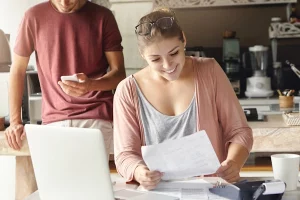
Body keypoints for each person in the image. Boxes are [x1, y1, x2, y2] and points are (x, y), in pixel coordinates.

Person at [113, 8, 253, 190]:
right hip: (157, 193)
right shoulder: (127, 90)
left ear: (184, 40)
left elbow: (240, 132)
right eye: (155, 59)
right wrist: (139, 172)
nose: (167, 65)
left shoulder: (209, 71)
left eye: (174, 53)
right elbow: (125, 155)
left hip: (211, 191)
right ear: (143, 55)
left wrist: (233, 163)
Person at [4, 0, 125, 199]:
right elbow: (17, 70)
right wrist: (15, 122)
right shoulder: (32, 17)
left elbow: (119, 74)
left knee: (90, 192)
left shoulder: (103, 17)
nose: (64, 2)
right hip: (53, 120)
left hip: (96, 116)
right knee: (56, 193)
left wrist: (90, 85)